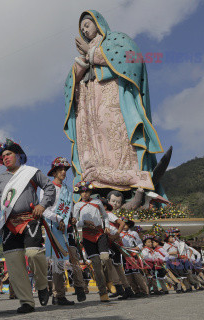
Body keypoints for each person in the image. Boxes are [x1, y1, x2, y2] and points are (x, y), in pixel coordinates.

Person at [64, 10, 163, 196]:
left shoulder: (116, 40)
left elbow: (131, 59)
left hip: (112, 97)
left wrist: (92, 53)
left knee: (117, 134)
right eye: (82, 28)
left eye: (87, 25)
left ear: (98, 22)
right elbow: (70, 85)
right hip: (89, 104)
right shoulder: (83, 55)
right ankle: (98, 184)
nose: (84, 31)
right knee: (94, 141)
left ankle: (130, 184)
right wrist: (81, 65)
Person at [0, 138, 56, 314]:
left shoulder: (31, 172)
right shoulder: (0, 179)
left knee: (33, 253)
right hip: (9, 223)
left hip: (30, 218)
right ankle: (27, 302)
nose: (5, 157)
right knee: (14, 264)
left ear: (19, 156)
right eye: (3, 156)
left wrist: (42, 205)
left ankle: (42, 285)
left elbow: (49, 187)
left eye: (9, 154)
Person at [41, 157, 76, 306]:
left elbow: (70, 209)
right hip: (52, 227)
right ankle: (57, 294)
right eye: (60, 169)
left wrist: (71, 219)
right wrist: (58, 219)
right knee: (57, 262)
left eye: (65, 170)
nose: (63, 172)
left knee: (62, 261)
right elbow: (44, 210)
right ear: (54, 172)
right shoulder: (47, 188)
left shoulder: (67, 190)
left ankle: (59, 294)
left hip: (64, 228)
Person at [73, 180, 110, 302]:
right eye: (82, 192)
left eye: (87, 191)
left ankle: (109, 281)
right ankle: (103, 293)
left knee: (105, 258)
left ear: (90, 192)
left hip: (100, 233)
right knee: (96, 265)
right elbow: (75, 222)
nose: (85, 194)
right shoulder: (77, 205)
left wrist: (107, 226)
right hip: (87, 236)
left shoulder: (97, 202)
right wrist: (84, 222)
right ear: (80, 194)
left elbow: (105, 216)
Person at [119, 220, 149, 297]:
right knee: (128, 274)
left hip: (133, 254)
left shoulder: (133, 233)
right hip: (124, 255)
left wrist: (136, 248)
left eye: (126, 224)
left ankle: (144, 291)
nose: (124, 226)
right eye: (123, 224)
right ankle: (136, 291)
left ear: (129, 225)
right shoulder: (118, 234)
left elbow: (140, 244)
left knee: (137, 273)